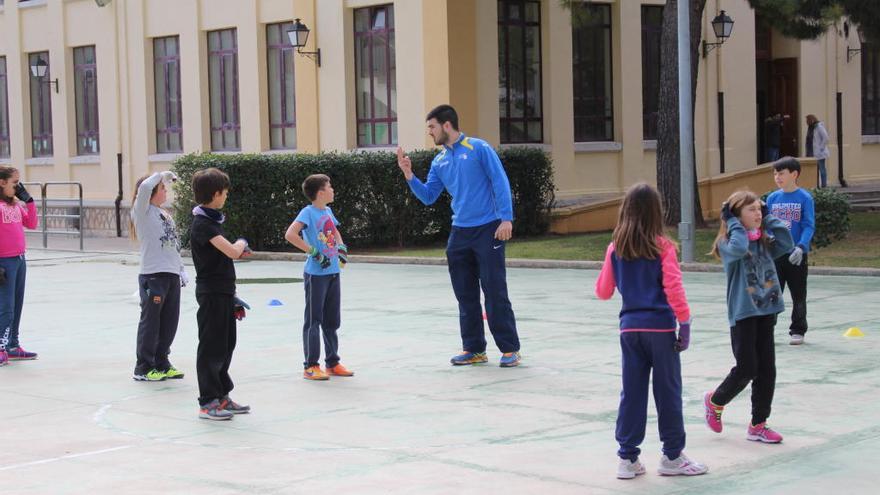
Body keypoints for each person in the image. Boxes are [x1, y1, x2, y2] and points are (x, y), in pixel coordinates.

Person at [595, 183, 708, 480]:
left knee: (631, 393)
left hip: (629, 330)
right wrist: (684, 323)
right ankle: (672, 456)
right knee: (668, 391)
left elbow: (603, 291)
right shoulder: (664, 247)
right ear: (657, 212)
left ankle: (627, 458)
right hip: (659, 329)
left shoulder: (615, 247)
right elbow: (673, 288)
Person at [396, 104, 521, 368]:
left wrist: (506, 218)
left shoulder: (479, 148)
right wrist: (409, 175)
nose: (429, 132)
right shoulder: (439, 161)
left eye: (431, 127)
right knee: (465, 294)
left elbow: (500, 181)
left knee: (494, 291)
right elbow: (429, 196)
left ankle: (510, 349)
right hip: (459, 233)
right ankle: (474, 349)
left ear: (446, 125)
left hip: (489, 228)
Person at [704, 191, 793, 444]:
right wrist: (732, 223)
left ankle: (758, 424)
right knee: (747, 368)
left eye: (759, 209)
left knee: (767, 371)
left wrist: (769, 216)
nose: (757, 213)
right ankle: (715, 400)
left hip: (766, 311)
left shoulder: (764, 240)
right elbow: (740, 247)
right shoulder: (728, 245)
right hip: (743, 315)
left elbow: (787, 242)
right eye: (751, 210)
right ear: (735, 216)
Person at [190, 167, 252, 420]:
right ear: (215, 194)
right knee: (211, 348)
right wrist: (242, 242)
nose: (226, 196)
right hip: (211, 293)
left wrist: (232, 296)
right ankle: (208, 402)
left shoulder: (213, 220)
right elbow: (232, 251)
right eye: (224, 192)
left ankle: (222, 396)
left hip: (224, 292)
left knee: (226, 346)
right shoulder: (203, 224)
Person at [284, 174, 353, 381]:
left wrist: (341, 247)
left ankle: (332, 362)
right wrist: (313, 251)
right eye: (329, 186)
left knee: (332, 320)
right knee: (314, 320)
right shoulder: (307, 212)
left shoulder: (328, 210)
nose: (333, 190)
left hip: (333, 272)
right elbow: (290, 234)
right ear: (321, 192)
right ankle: (311, 365)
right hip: (316, 275)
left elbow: (334, 231)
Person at [129, 171, 187, 381]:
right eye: (163, 188)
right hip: (153, 275)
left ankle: (162, 362)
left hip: (170, 274)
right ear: (152, 191)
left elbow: (173, 245)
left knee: (169, 321)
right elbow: (144, 188)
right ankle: (143, 367)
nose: (166, 191)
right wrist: (160, 175)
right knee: (151, 322)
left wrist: (181, 269)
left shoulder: (164, 214)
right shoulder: (142, 211)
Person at [766, 157, 815, 345]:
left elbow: (808, 225)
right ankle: (767, 328)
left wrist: (801, 247)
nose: (777, 177)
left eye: (781, 173)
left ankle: (798, 329)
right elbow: (767, 224)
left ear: (794, 174)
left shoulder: (804, 198)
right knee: (772, 293)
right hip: (776, 255)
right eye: (775, 173)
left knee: (798, 294)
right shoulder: (772, 198)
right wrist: (768, 238)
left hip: (796, 255)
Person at [0, 166, 39, 366]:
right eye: (15, 183)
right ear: (2, 182)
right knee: (5, 307)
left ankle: (12, 346)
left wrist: (29, 202)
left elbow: (32, 224)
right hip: (3, 262)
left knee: (16, 304)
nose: (18, 187)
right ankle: (1, 346)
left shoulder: (14, 205)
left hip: (19, 259)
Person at [805, 114, 829, 188]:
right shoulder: (810, 128)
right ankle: (816, 185)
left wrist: (821, 148)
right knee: (814, 170)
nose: (806, 122)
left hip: (819, 153)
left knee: (821, 169)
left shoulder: (819, 127)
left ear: (811, 120)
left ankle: (824, 186)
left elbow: (826, 138)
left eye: (807, 120)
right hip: (811, 152)